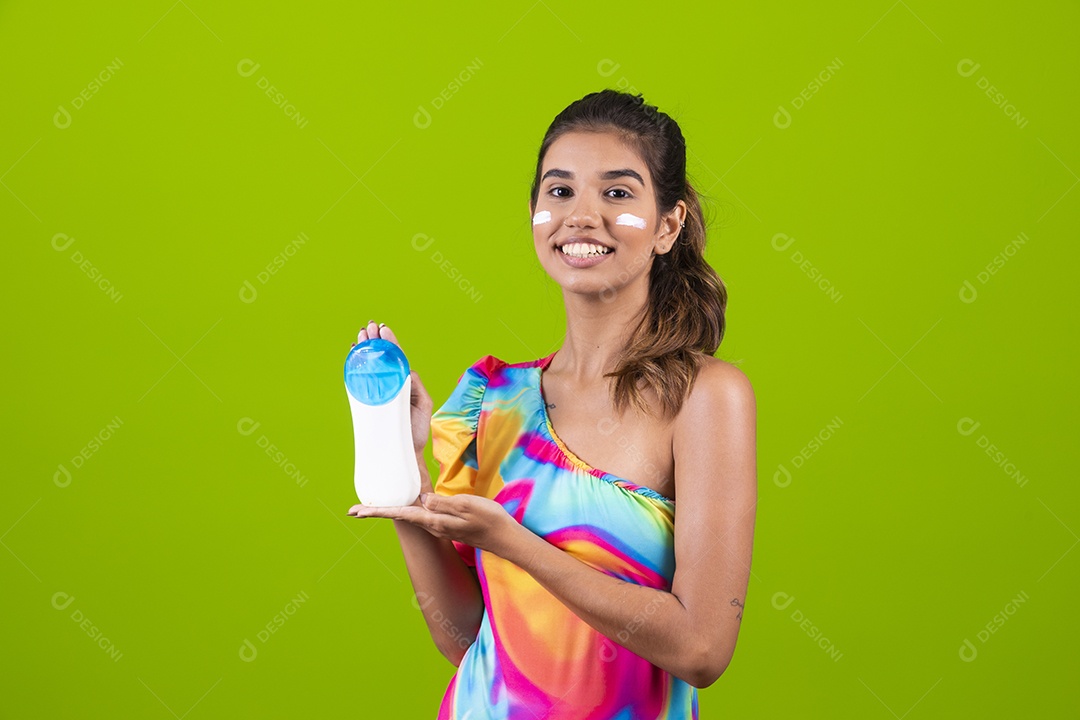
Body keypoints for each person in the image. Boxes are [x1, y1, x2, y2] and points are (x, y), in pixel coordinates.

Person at [347, 89, 757, 719]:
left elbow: (701, 649)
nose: (581, 216)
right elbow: (465, 641)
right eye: (559, 191)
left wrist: (515, 543)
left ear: (667, 225)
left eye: (616, 193)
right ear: (535, 211)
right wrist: (404, 487)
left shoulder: (705, 398)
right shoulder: (488, 401)